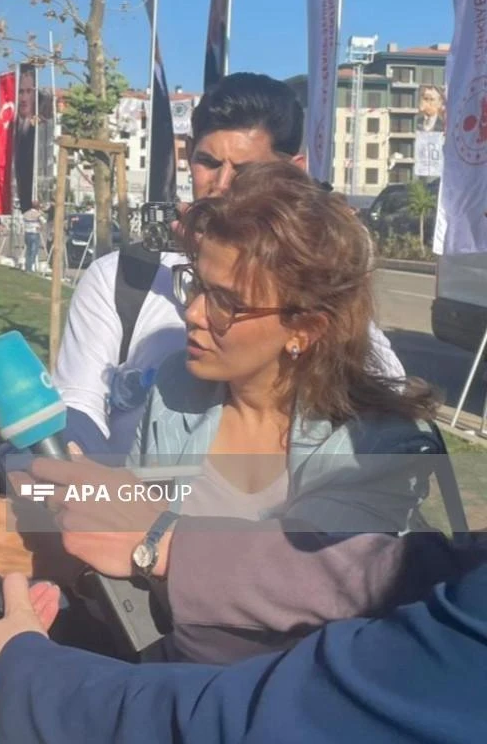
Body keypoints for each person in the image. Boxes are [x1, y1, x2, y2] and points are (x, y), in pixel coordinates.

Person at [38, 161, 446, 662]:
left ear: (305, 329)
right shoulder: (176, 387)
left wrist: (155, 539)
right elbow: (133, 570)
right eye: (196, 284)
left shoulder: (379, 443)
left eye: (226, 302)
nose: (192, 313)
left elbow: (305, 600)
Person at [52, 72, 406, 457]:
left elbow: (383, 389)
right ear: (188, 153)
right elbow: (79, 401)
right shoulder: (123, 277)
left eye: (246, 170)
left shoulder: (309, 285)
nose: (221, 185)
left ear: (293, 171)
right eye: (207, 162)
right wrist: (85, 481)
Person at [0, 548, 487, 744]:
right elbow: (120, 489)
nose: (195, 324)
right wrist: (46, 513)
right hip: (132, 675)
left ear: (305, 339)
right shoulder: (174, 388)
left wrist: (21, 669)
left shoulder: (373, 438)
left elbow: (245, 727)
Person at [22, 206, 44, 272]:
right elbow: (43, 221)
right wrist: (41, 227)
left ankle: (27, 266)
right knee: (34, 251)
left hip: (27, 233)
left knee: (28, 250)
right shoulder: (38, 214)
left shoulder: (26, 213)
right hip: (34, 233)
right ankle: (30, 266)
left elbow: (22, 222)